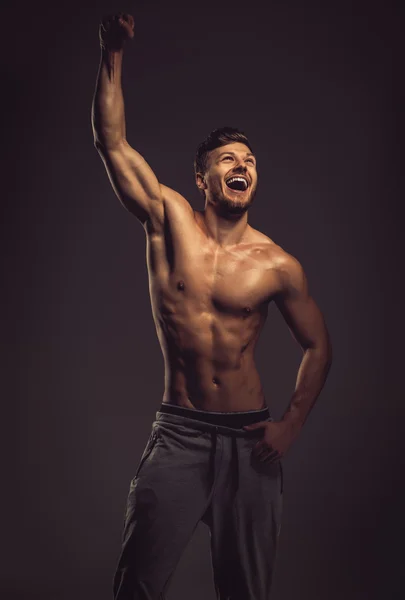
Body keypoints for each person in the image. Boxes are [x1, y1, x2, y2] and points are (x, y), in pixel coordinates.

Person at [91, 12, 333, 600]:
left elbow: (318, 345)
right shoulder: (169, 221)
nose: (242, 166)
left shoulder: (277, 265)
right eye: (228, 159)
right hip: (179, 435)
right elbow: (112, 142)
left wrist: (292, 425)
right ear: (202, 178)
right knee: (136, 587)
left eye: (248, 161)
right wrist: (112, 52)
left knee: (245, 593)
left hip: (251, 444)